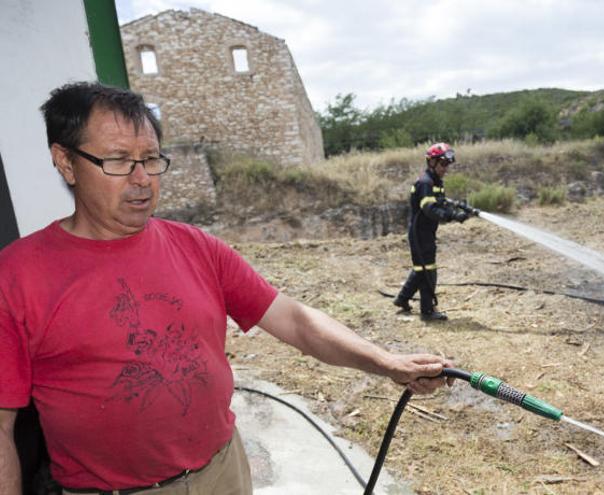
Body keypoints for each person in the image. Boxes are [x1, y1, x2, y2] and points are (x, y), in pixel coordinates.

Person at [0, 82, 453, 495]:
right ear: (65, 162)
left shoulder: (195, 246)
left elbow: (293, 319)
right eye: (118, 161)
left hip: (223, 472)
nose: (143, 180)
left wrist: (385, 362)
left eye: (152, 159)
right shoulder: (17, 276)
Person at [393, 143, 472, 321]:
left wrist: (459, 207)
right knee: (428, 270)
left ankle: (402, 299)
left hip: (425, 233)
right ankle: (427, 311)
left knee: (421, 269)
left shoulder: (435, 181)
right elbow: (430, 209)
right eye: (443, 164)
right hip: (419, 234)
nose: (446, 168)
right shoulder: (425, 182)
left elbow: (440, 201)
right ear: (432, 162)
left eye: (447, 165)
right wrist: (452, 216)